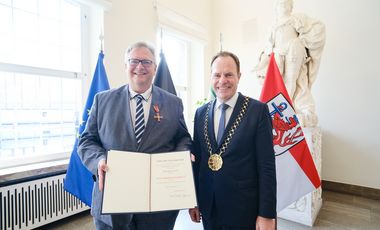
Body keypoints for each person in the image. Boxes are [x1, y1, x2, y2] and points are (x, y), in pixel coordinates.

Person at [78, 41, 192, 229]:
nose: (140, 66)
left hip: (157, 208)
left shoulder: (173, 103)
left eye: (147, 62)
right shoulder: (102, 100)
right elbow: (87, 141)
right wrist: (98, 160)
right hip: (112, 206)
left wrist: (181, 156)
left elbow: (183, 138)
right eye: (134, 61)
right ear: (125, 66)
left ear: (155, 68)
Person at [189, 51, 277, 229]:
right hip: (209, 206)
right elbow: (197, 162)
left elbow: (266, 166)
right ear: (211, 77)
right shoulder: (200, 113)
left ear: (239, 76)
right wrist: (194, 201)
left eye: (228, 74)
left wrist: (267, 214)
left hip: (244, 208)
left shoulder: (257, 111)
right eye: (217, 75)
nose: (222, 80)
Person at [254, 0, 325, 127]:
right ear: (276, 8)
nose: (284, 6)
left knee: (292, 80)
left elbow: (317, 27)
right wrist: (261, 62)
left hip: (293, 51)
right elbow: (268, 46)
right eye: (281, 4)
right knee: (278, 81)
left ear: (291, 7)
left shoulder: (296, 19)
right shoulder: (273, 26)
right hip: (278, 55)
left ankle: (290, 108)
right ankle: (280, 109)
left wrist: (301, 41)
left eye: (287, 4)